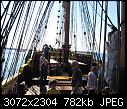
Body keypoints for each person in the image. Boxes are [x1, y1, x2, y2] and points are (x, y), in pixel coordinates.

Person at [105, 25, 119, 93]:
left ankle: (112, 88)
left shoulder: (114, 34)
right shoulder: (116, 34)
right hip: (114, 55)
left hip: (113, 55)